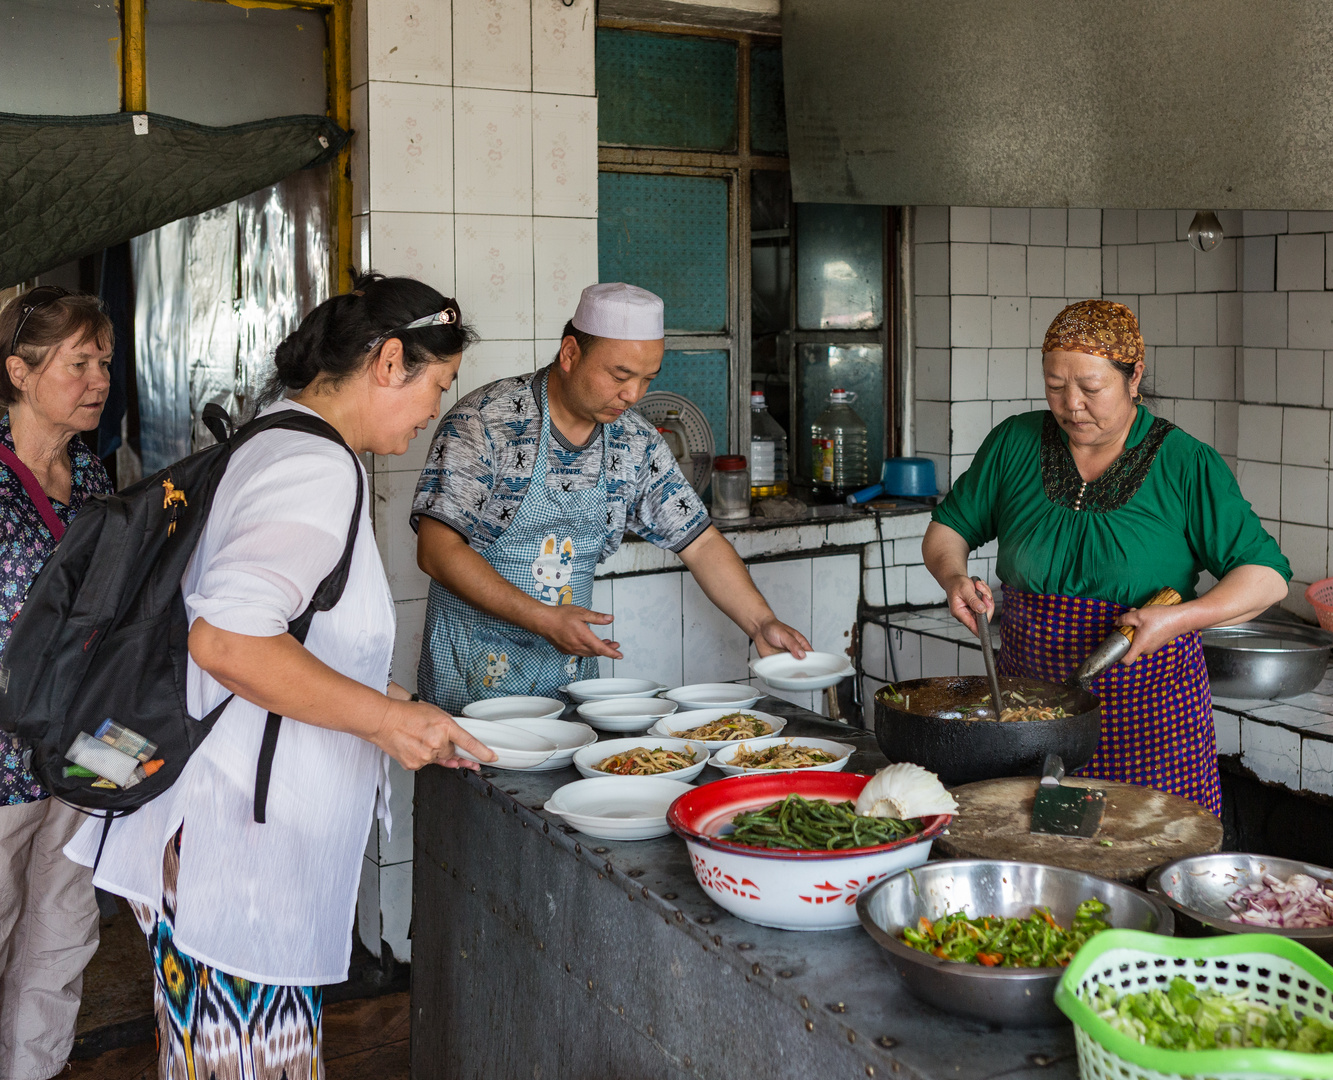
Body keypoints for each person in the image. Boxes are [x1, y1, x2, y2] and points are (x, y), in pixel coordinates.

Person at [65, 274, 495, 1078]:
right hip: (236, 850)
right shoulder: (314, 467)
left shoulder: (276, 439)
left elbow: (294, 636)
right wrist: (386, 724)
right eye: (436, 386)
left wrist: (404, 706)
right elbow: (227, 642)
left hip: (223, 840)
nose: (433, 409)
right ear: (390, 361)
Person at [921, 300, 1290, 815]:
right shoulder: (1014, 443)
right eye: (1055, 386)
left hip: (1150, 722)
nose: (1071, 405)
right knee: (1037, 860)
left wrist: (1179, 618)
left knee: (1141, 860)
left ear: (1133, 376)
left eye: (1091, 389)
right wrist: (954, 576)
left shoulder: (1184, 462)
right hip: (1033, 715)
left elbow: (1266, 578)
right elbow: (946, 531)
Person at [414, 282, 809, 712]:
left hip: (570, 691)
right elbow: (437, 551)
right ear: (570, 354)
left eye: (647, 380)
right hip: (469, 691)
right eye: (620, 376)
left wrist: (761, 621)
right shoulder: (485, 423)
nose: (634, 395)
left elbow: (702, 543)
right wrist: (545, 620)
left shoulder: (635, 441)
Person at [0, 286, 112, 1080]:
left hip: (82, 754)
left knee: (62, 937)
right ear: (19, 370)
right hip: (0, 762)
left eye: (103, 361)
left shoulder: (99, 478)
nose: (99, 379)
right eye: (79, 363)